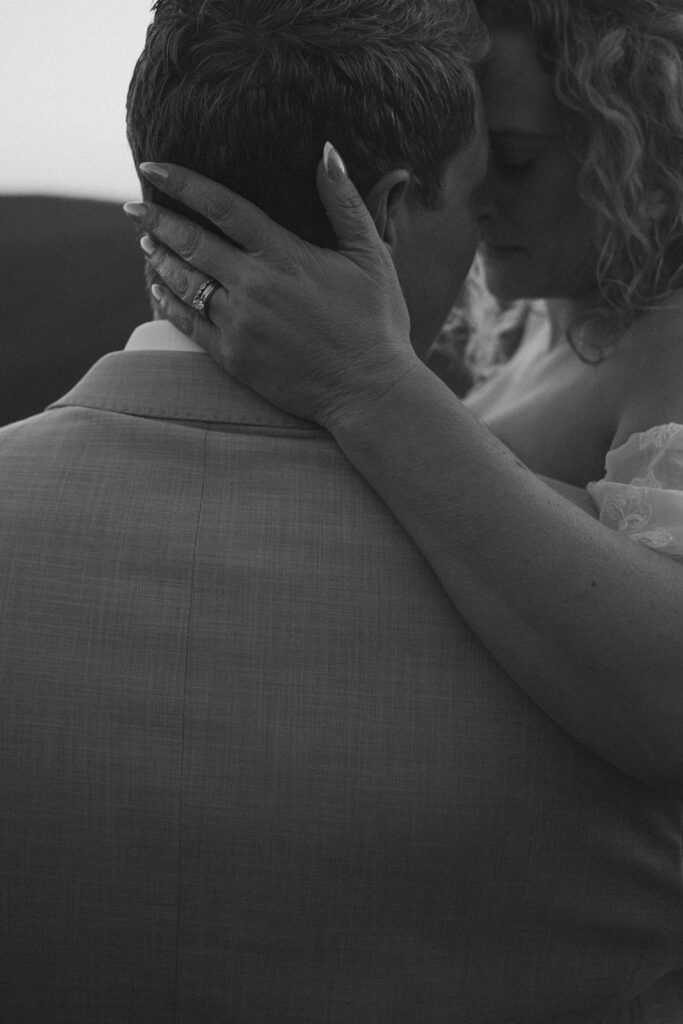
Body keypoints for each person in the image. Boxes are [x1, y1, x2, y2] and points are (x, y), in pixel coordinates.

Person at [125, 0, 683, 1017]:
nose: (475, 203)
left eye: (511, 159)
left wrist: (368, 386)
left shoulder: (672, 334)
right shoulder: (544, 319)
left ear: (636, 138)